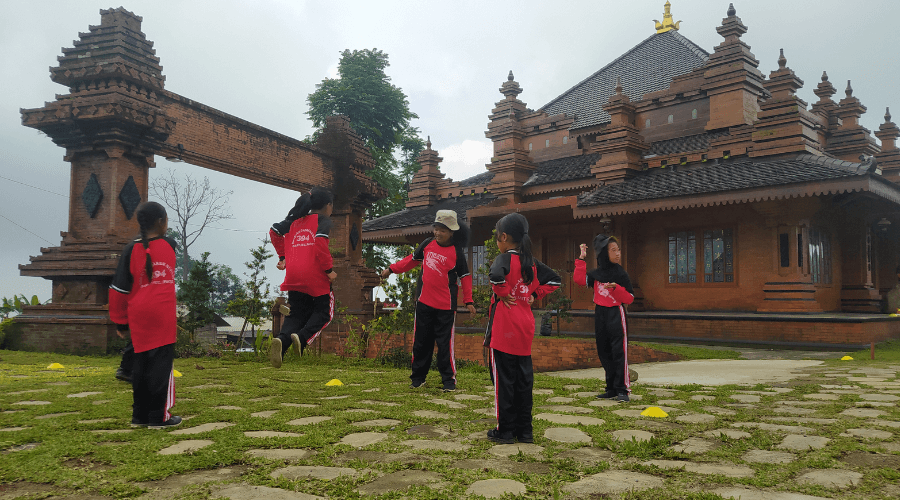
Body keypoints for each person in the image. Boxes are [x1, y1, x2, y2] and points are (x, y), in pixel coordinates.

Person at [485, 213, 560, 444]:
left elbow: (495, 277)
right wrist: (534, 294)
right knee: (523, 381)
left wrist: (504, 293)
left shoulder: (504, 258)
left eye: (497, 237)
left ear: (504, 237)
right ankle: (524, 431)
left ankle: (505, 431)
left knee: (504, 382)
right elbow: (555, 280)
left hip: (504, 327)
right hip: (525, 328)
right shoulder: (532, 263)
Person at [381, 210, 476, 391]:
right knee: (421, 342)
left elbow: (465, 276)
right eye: (436, 228)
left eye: (443, 230)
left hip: (446, 307)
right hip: (424, 303)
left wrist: (468, 300)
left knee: (444, 345)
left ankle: (448, 381)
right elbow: (410, 261)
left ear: (451, 232)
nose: (438, 233)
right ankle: (418, 378)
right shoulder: (427, 245)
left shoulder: (456, 252)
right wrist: (391, 269)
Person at [109, 201, 181, 429]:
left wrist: (120, 322)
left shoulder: (130, 249)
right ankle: (158, 417)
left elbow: (119, 288)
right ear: (161, 222)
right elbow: (161, 246)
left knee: (140, 365)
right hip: (162, 314)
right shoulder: (170, 245)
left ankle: (139, 417)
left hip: (138, 314)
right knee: (161, 368)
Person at [268, 187, 337, 368]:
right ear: (328, 205)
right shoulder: (323, 220)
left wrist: (282, 257)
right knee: (324, 313)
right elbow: (321, 241)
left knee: (297, 313)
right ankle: (302, 338)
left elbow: (274, 230)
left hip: (293, 276)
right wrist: (329, 271)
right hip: (315, 275)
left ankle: (282, 342)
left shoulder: (294, 221)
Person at [574, 234, 634, 402]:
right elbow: (579, 279)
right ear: (603, 253)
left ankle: (622, 389)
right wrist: (581, 258)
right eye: (613, 250)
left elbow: (629, 298)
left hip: (616, 314)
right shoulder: (596, 274)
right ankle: (611, 388)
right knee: (604, 351)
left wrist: (616, 289)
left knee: (618, 352)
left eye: (618, 250)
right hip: (600, 314)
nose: (618, 254)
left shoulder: (621, 274)